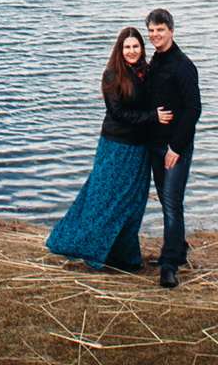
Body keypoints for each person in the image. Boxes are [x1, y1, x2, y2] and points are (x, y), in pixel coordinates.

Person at [43, 25, 158, 272]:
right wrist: (152, 117)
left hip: (141, 149)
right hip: (116, 147)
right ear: (119, 49)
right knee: (103, 199)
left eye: (136, 46)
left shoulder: (147, 73)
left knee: (133, 203)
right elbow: (118, 113)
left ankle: (125, 257)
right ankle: (83, 246)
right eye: (127, 47)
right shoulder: (112, 75)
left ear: (142, 48)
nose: (131, 51)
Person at [142, 7, 201, 288]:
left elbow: (193, 109)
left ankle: (169, 266)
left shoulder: (183, 65)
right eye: (151, 31)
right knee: (167, 202)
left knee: (172, 204)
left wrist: (176, 147)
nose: (155, 35)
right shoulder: (155, 62)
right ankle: (178, 249)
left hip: (175, 148)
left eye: (160, 30)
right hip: (155, 145)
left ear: (172, 31)